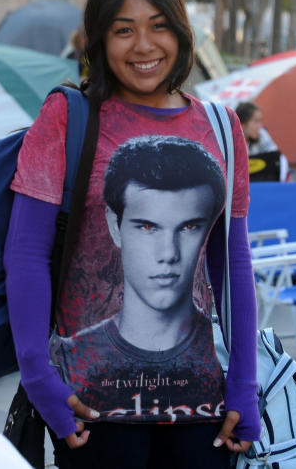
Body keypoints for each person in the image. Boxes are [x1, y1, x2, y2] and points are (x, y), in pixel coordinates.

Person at [4, 0, 259, 468]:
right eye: (124, 30)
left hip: (204, 407)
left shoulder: (222, 126)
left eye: (158, 25)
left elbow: (233, 263)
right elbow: (27, 252)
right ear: (99, 40)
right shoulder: (68, 117)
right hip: (90, 409)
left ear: (181, 32)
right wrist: (39, 378)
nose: (143, 46)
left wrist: (244, 385)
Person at [52, 136, 228, 423]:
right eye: (147, 227)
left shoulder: (222, 354)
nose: (168, 254)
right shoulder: (72, 357)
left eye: (189, 227)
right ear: (114, 225)